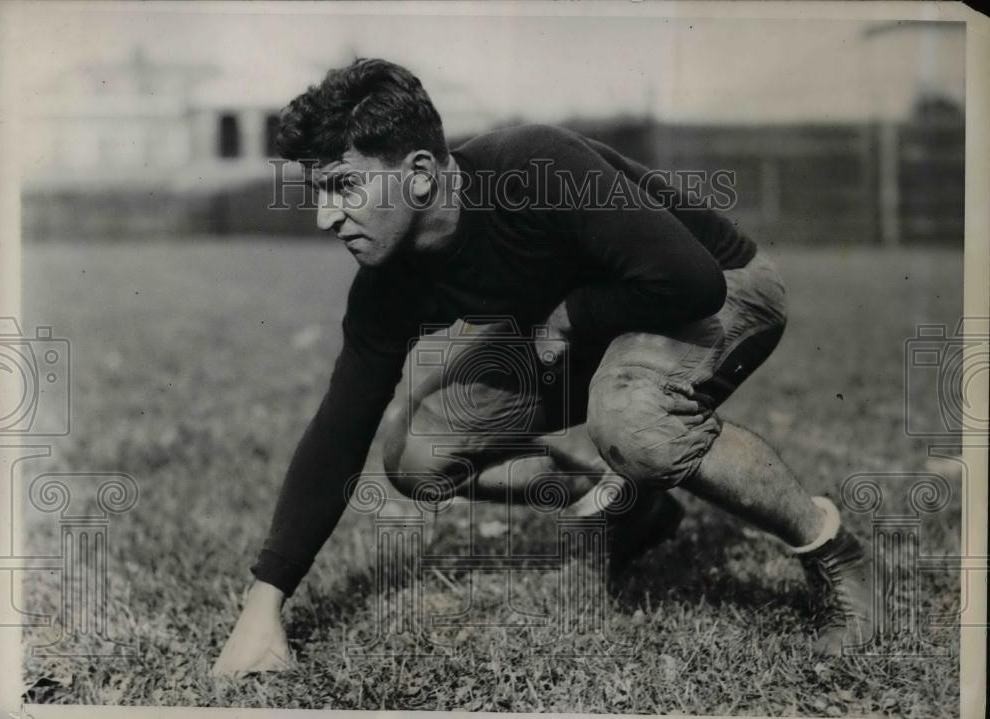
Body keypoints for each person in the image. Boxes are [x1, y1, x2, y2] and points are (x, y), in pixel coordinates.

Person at [212, 58, 876, 676]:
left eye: (343, 186)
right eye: (317, 191)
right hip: (589, 323)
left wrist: (563, 321)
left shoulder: (534, 166)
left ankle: (831, 548)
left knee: (634, 419)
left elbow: (690, 281)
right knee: (419, 453)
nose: (326, 215)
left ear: (418, 171)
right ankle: (637, 507)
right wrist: (264, 601)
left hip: (718, 286)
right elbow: (340, 424)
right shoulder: (388, 278)